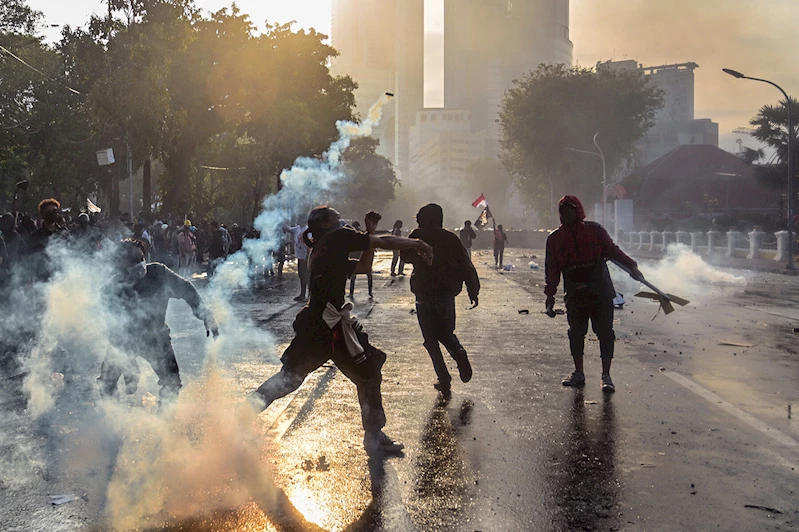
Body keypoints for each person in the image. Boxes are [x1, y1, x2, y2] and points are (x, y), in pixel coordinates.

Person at [245, 206, 433, 454]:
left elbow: (363, 267)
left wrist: (369, 234)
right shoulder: (337, 237)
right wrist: (417, 242)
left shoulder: (322, 247)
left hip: (323, 324)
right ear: (324, 223)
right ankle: (373, 437)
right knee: (363, 374)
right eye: (335, 216)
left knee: (295, 378)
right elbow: (386, 241)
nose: (341, 219)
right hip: (327, 326)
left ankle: (240, 414)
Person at [98, 238, 218, 403]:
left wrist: (206, 315)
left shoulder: (158, 273)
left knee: (173, 383)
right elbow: (112, 327)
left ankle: (165, 420)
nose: (139, 264)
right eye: (132, 261)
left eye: (141, 258)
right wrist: (128, 364)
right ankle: (112, 419)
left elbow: (186, 289)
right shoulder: (110, 289)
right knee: (106, 384)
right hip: (124, 341)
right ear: (120, 266)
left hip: (156, 339)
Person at [544, 195, 644, 393]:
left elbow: (613, 251)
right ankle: (578, 372)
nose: (567, 215)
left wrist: (631, 266)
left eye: (570, 211)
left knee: (605, 334)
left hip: (600, 291)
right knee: (576, 333)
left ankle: (606, 375)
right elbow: (552, 269)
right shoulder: (555, 239)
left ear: (578, 211)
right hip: (574, 293)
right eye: (563, 212)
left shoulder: (595, 231)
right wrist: (550, 296)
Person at [401, 204, 480, 399]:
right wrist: (473, 290)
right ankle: (458, 351)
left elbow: (405, 257)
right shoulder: (451, 238)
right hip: (446, 294)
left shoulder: (417, 236)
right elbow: (466, 265)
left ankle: (443, 378)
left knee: (430, 339)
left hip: (424, 293)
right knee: (446, 332)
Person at [348, 221, 373, 300]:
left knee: (367, 275)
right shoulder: (354, 235)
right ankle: (352, 293)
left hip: (359, 257)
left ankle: (369, 291)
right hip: (356, 257)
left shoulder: (357, 235)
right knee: (355, 276)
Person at [286, 220, 309, 301]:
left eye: (299, 218)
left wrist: (307, 258)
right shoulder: (298, 228)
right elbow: (288, 229)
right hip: (299, 257)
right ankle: (302, 294)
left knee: (306, 276)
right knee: (301, 276)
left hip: (305, 257)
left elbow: (309, 246)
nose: (298, 220)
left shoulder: (307, 230)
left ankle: (309, 295)